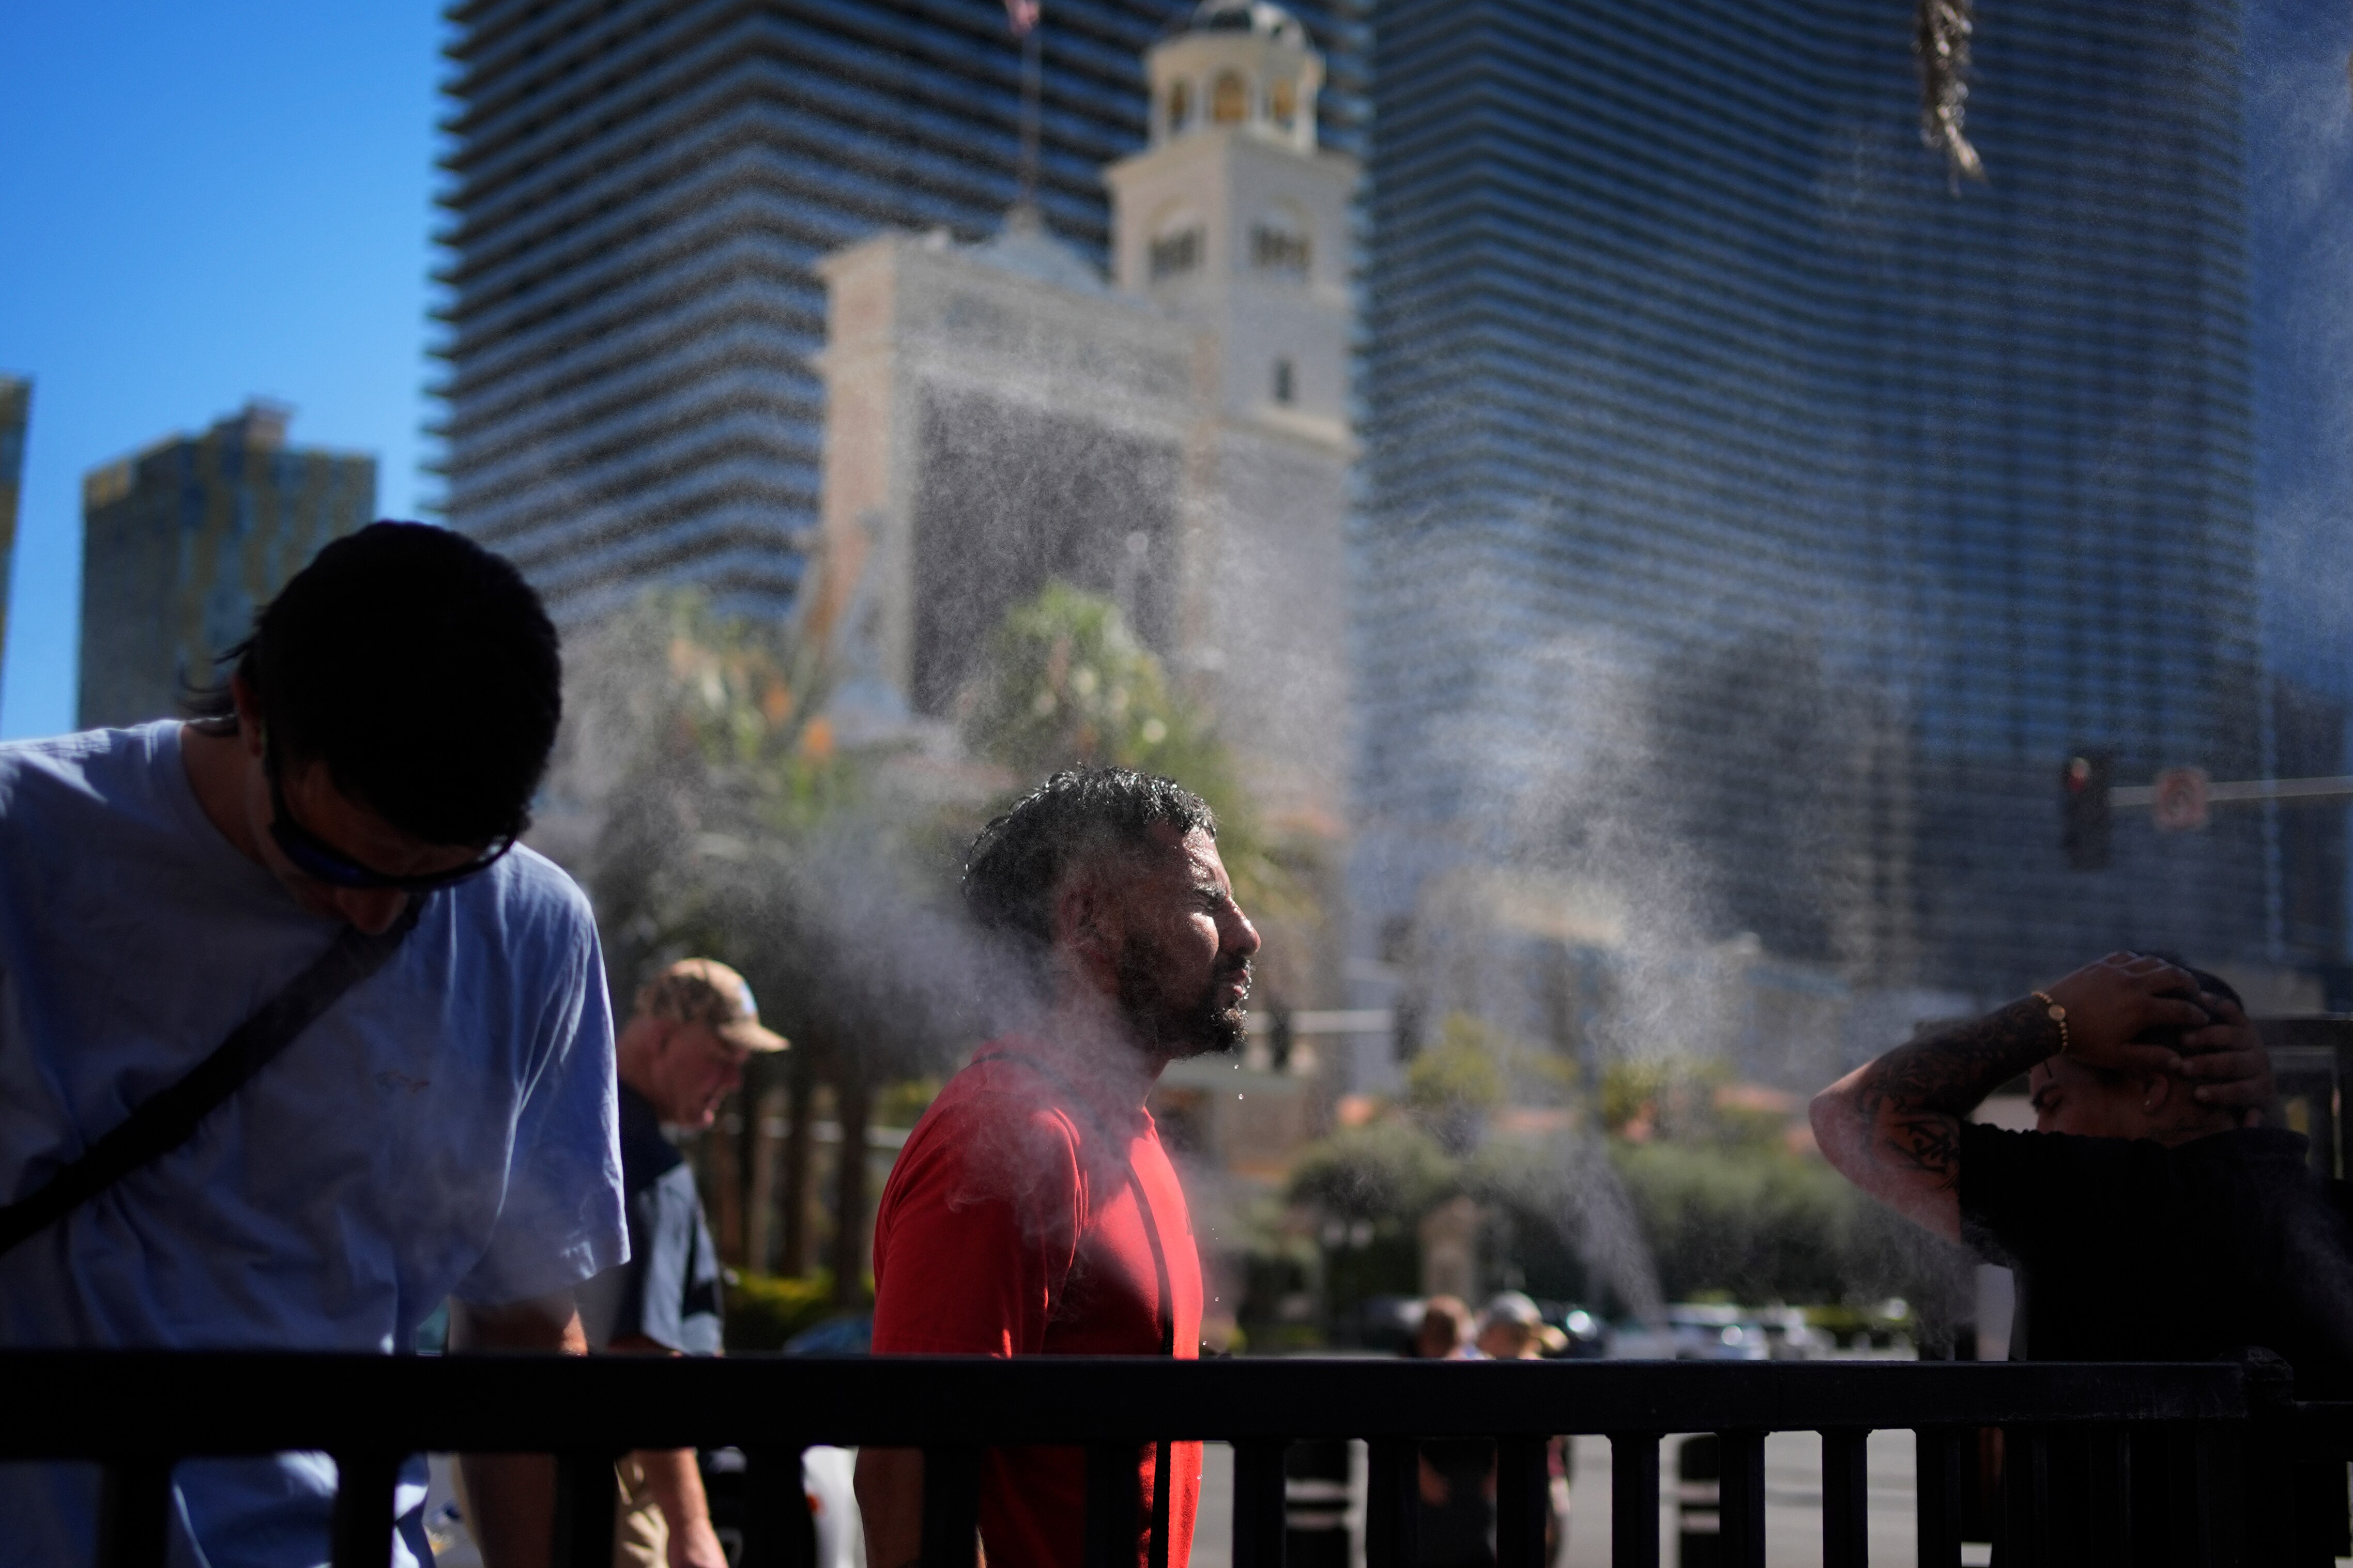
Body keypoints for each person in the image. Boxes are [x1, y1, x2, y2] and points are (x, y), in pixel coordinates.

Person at [0, 523, 628, 1568]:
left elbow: (520, 1335)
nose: (375, 915)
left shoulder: (533, 929)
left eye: (434, 873)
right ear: (253, 711)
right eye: (328, 854)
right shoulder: (26, 842)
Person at [1811, 950, 2353, 1560]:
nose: (2040, 1131)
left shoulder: (2092, 1204)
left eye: (2051, 1102)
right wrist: (2255, 1106)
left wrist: (2050, 1017)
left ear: (2151, 1088)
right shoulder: (2326, 1221)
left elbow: (1848, 1115)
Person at [853, 767, 1261, 1568]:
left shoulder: (1124, 1136)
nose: (1247, 934)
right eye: (1207, 900)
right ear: (1087, 919)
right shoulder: (1005, 1132)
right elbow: (909, 1484)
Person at [573, 958, 787, 1568]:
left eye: (743, 1062)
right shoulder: (642, 1162)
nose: (735, 1077)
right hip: (623, 1473)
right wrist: (692, 1526)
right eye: (722, 1054)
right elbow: (641, 1358)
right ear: (662, 1037)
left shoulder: (584, 1127)